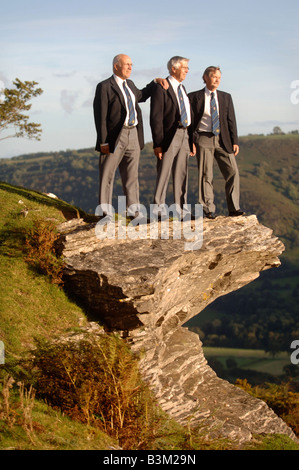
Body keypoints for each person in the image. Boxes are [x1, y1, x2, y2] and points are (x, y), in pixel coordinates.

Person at [93, 53, 168, 221]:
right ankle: (104, 212)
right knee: (107, 174)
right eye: (126, 64)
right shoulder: (104, 86)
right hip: (114, 137)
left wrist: (155, 82)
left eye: (131, 65)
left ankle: (133, 212)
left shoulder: (130, 84)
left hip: (133, 133)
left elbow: (140, 96)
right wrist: (103, 141)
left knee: (132, 176)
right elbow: (100, 115)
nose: (130, 67)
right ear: (116, 66)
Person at [188, 66, 244, 219]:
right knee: (206, 174)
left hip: (223, 139)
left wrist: (235, 141)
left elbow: (231, 120)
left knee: (233, 172)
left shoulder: (226, 97)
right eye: (214, 76)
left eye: (219, 77)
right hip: (203, 138)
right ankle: (207, 209)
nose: (217, 79)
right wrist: (190, 141)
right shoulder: (193, 97)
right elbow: (189, 122)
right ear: (205, 78)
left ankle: (234, 208)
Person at [150, 56, 195, 221]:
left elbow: (188, 115)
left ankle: (182, 211)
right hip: (169, 137)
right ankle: (158, 212)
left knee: (182, 174)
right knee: (164, 174)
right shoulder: (161, 87)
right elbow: (156, 117)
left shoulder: (183, 89)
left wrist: (190, 140)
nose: (187, 71)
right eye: (185, 68)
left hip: (184, 135)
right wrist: (158, 143)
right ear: (174, 68)